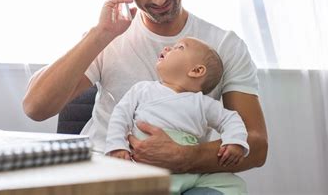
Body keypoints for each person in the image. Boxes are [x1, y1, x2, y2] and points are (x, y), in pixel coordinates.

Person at [23, 0, 268, 194]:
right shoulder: (108, 37)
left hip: (183, 178)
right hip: (109, 173)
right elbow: (36, 107)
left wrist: (184, 157)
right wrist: (99, 34)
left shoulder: (224, 45)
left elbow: (255, 146)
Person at [106, 36, 249, 195]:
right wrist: (117, 146)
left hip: (188, 174)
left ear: (196, 70)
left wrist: (235, 141)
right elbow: (120, 116)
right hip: (144, 169)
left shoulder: (201, 102)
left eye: (179, 47)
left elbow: (230, 118)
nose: (167, 48)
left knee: (234, 184)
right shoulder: (142, 89)